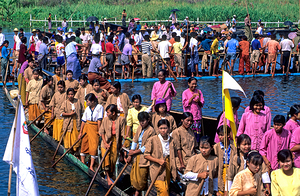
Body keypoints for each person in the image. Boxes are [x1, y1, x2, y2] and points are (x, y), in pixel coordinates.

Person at [144, 119, 177, 196]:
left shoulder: (172, 140)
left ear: (168, 128)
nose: (163, 130)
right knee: (163, 191)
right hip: (156, 168)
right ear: (158, 129)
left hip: (168, 167)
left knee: (165, 188)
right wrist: (158, 160)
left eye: (165, 128)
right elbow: (146, 155)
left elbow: (175, 156)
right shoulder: (153, 139)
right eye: (161, 128)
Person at [126, 112, 156, 196]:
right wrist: (130, 153)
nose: (141, 123)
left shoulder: (151, 131)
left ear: (148, 120)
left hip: (144, 155)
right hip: (136, 154)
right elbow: (135, 140)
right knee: (134, 174)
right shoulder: (140, 127)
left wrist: (134, 152)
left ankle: (138, 192)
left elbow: (147, 146)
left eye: (143, 121)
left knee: (141, 175)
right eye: (140, 121)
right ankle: (136, 190)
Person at [100, 104, 126, 186]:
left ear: (113, 113)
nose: (107, 114)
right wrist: (105, 143)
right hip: (106, 141)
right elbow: (101, 132)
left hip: (115, 141)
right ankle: (107, 178)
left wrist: (121, 146)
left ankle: (110, 175)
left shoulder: (121, 119)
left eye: (108, 112)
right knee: (106, 159)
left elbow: (122, 134)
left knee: (113, 160)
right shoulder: (105, 120)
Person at [79, 93, 103, 171]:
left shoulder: (100, 107)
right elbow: (83, 120)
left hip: (95, 127)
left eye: (88, 101)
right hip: (87, 126)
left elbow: (99, 120)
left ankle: (91, 166)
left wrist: (99, 130)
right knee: (84, 144)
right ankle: (82, 161)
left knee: (94, 146)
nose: (87, 102)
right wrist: (81, 132)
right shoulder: (87, 109)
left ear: (92, 101)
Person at [214, 125, 237, 195]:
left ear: (228, 135)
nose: (220, 137)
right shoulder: (216, 147)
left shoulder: (234, 146)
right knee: (221, 186)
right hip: (221, 169)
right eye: (219, 135)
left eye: (222, 135)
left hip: (231, 169)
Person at [182, 77, 204, 143]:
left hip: (197, 116)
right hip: (189, 117)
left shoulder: (199, 92)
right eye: (192, 84)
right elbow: (185, 104)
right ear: (188, 83)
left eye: (195, 84)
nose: (194, 85)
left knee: (197, 133)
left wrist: (198, 101)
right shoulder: (185, 92)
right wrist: (192, 98)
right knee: (189, 132)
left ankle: (196, 145)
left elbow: (202, 103)